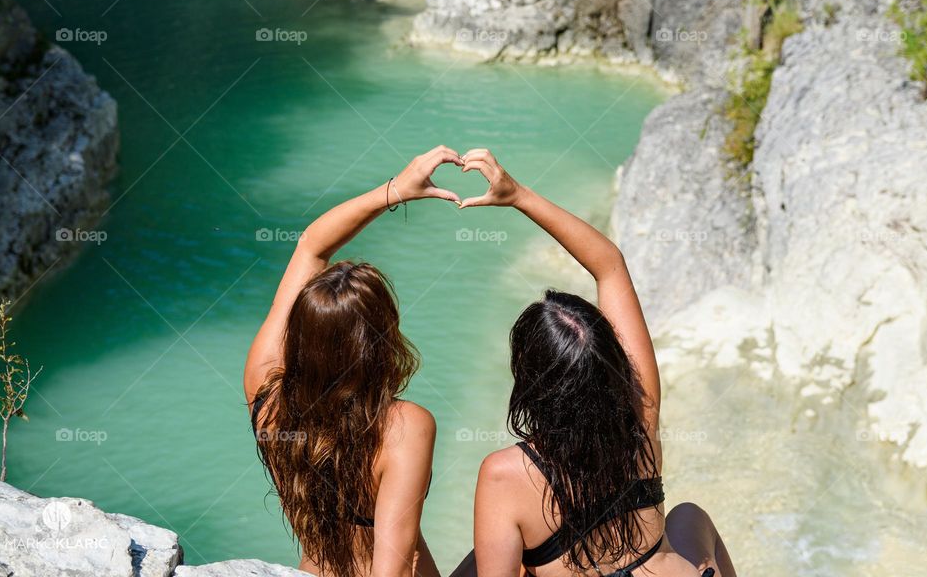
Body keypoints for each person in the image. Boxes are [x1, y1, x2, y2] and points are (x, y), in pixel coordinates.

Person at [456, 149, 736, 577]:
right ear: (609, 363)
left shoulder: (505, 474)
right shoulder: (641, 411)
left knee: (477, 563)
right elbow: (609, 265)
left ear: (531, 384)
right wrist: (519, 196)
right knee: (688, 516)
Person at [244, 146, 465, 577]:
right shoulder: (405, 426)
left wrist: (396, 190)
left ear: (301, 333)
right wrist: (399, 191)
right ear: (383, 341)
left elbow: (311, 246)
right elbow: (395, 567)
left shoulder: (265, 391)